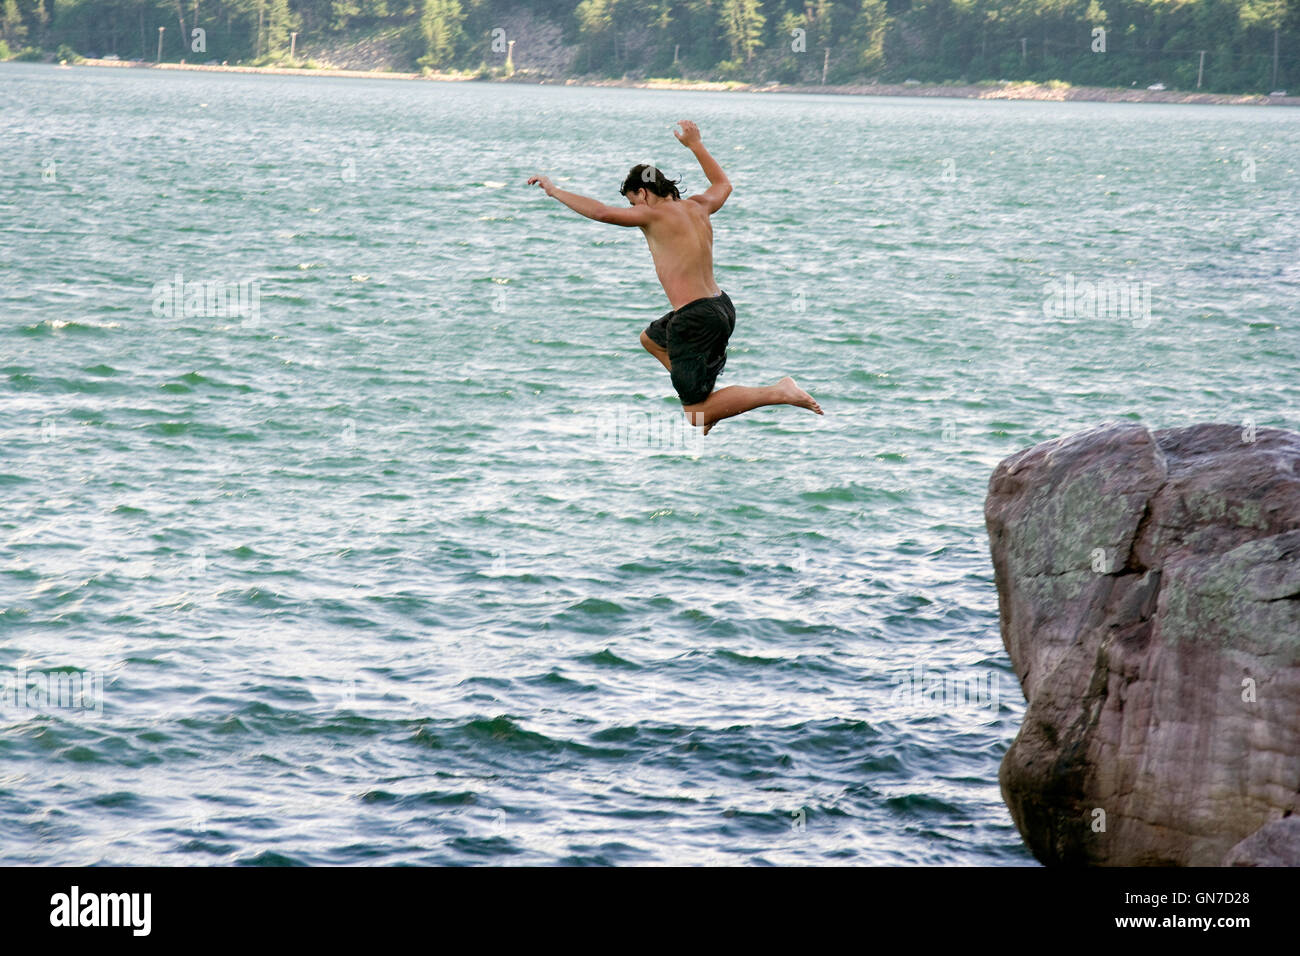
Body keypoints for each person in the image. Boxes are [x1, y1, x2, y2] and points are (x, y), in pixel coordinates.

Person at [527, 120, 822, 435]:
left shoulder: (652, 214)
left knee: (695, 416)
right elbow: (724, 184)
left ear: (643, 193)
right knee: (651, 339)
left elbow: (601, 212)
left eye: (632, 202)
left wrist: (554, 190)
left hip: (695, 317)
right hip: (721, 306)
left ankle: (778, 392)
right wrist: (696, 145)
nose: (632, 209)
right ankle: (709, 402)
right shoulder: (699, 205)